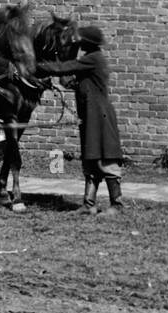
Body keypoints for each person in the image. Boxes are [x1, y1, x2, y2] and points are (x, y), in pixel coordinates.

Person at [36, 24, 125, 214]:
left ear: (88, 43)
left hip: (100, 116)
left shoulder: (94, 59)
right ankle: (88, 204)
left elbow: (64, 68)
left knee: (105, 158)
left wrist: (35, 66)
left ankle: (117, 205)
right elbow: (68, 80)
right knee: (91, 158)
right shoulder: (88, 61)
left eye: (80, 41)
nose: (78, 42)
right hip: (90, 115)